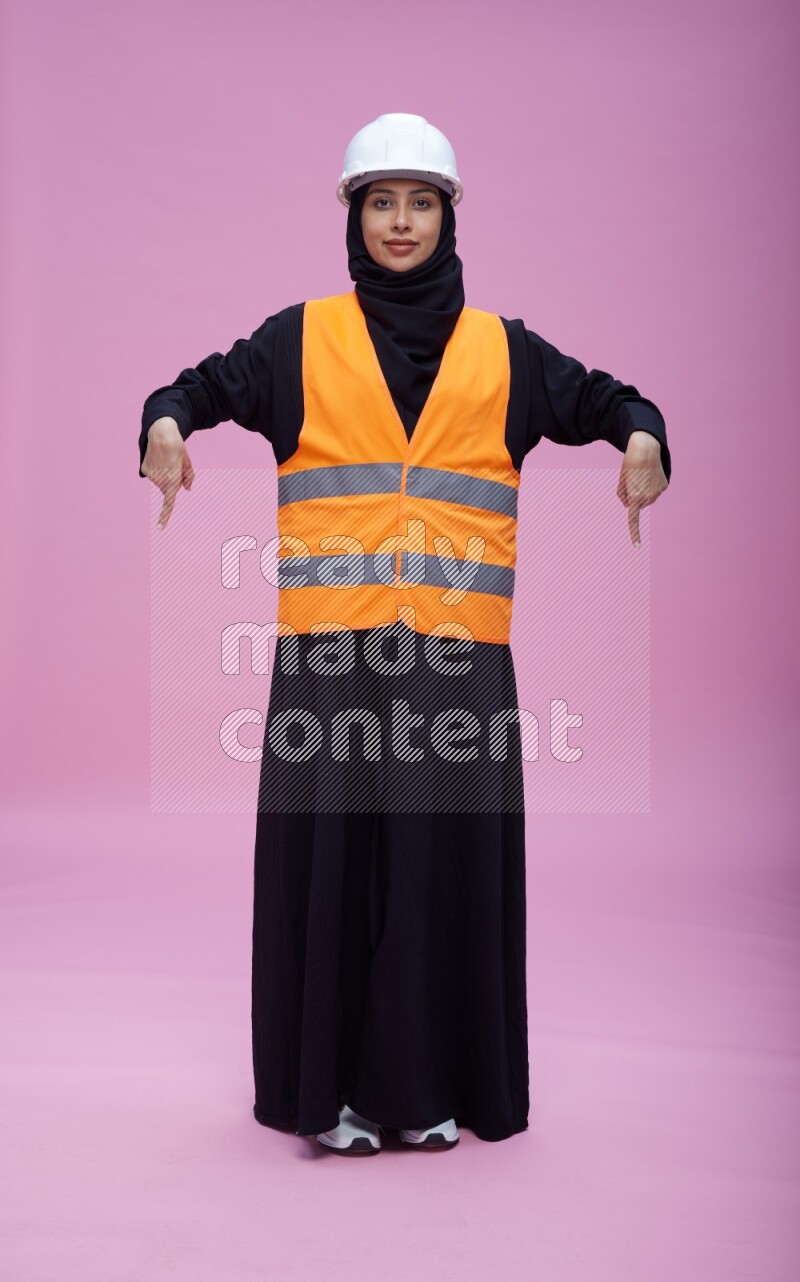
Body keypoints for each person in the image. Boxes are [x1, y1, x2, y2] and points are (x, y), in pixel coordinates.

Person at [138, 112, 671, 1156]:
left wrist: (644, 436)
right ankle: (325, 1094)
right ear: (352, 215)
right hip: (330, 659)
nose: (399, 221)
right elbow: (191, 390)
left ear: (448, 217)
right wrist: (163, 425)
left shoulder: (506, 352)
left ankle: (425, 1088)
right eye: (380, 201)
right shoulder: (297, 340)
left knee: (438, 871)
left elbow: (612, 401)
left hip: (456, 663)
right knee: (330, 867)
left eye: (419, 202)